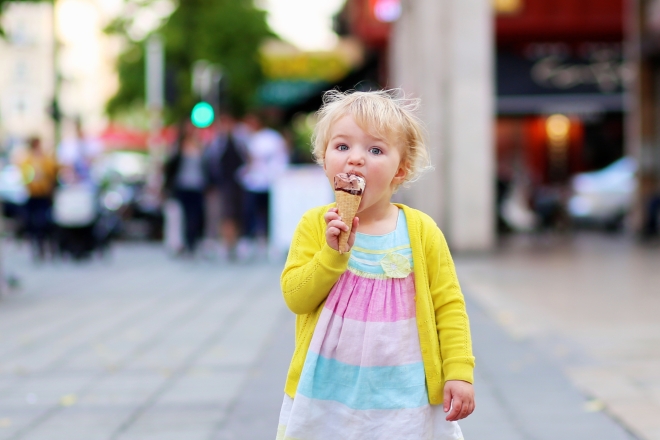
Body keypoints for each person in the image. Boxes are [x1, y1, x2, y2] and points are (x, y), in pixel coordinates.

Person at [277, 90, 476, 440]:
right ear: (324, 161)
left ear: (401, 169)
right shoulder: (315, 224)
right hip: (326, 390)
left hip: (403, 393)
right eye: (342, 147)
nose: (355, 159)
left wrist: (458, 371)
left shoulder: (421, 231)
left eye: (375, 150)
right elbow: (296, 297)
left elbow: (449, 306)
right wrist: (331, 255)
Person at [239, 114, 288, 245]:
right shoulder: (250, 138)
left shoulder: (271, 137)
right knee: (251, 211)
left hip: (269, 182)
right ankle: (252, 237)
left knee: (268, 212)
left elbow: (280, 158)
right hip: (253, 182)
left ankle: (267, 238)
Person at [203, 114, 246, 259]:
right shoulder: (216, 143)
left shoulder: (238, 141)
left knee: (235, 215)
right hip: (222, 185)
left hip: (236, 185)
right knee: (224, 215)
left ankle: (233, 242)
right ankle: (226, 243)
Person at [164, 127, 207, 255]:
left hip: (197, 187)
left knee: (195, 216)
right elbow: (169, 168)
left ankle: (192, 242)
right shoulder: (177, 150)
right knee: (181, 217)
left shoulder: (201, 149)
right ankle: (180, 243)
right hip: (182, 187)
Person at [17, 137, 58, 260]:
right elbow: (27, 179)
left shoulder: (45, 159)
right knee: (34, 224)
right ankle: (39, 249)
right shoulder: (28, 161)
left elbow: (53, 172)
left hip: (45, 196)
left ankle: (49, 247)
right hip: (34, 196)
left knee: (47, 223)